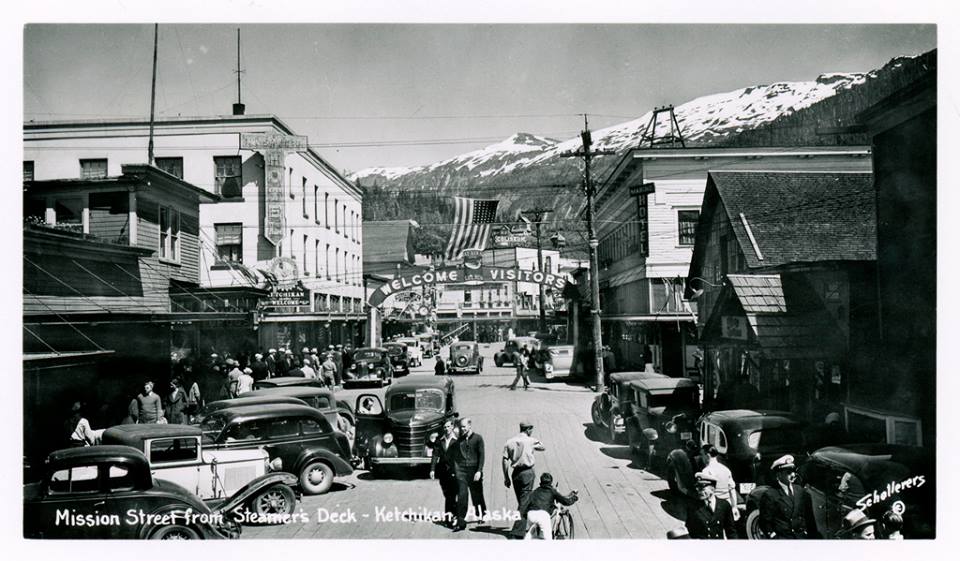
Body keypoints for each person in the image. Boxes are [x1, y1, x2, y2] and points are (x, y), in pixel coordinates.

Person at [758, 455, 819, 539]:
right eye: (788, 472)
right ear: (779, 475)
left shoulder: (800, 491)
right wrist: (774, 537)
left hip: (801, 537)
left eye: (793, 471)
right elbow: (764, 522)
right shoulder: (770, 495)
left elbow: (809, 518)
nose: (793, 475)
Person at [519, 472, 578, 540]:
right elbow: (566, 501)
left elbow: (526, 504)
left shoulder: (535, 491)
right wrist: (574, 498)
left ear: (541, 481)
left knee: (530, 536)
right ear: (551, 482)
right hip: (543, 516)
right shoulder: (552, 491)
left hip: (531, 515)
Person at [452, 417, 486, 531]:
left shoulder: (478, 439)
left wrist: (479, 471)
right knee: (462, 495)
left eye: (464, 427)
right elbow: (456, 457)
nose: (462, 429)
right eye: (461, 427)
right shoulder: (459, 440)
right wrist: (457, 471)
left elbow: (481, 456)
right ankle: (461, 522)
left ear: (470, 425)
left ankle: (481, 514)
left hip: (474, 471)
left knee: (477, 494)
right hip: (462, 472)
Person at [502, 422, 545, 506]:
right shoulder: (531, 441)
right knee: (525, 501)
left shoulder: (509, 442)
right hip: (527, 473)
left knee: (520, 499)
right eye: (531, 430)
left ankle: (522, 512)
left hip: (516, 474)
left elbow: (505, 460)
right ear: (528, 429)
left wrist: (506, 477)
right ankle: (522, 514)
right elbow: (542, 447)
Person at [685, 473, 738, 539]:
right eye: (697, 487)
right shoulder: (693, 507)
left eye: (702, 488)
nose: (699, 491)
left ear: (713, 488)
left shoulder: (724, 505)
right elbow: (690, 531)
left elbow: (731, 532)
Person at [430, 418, 460, 527]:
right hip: (443, 472)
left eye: (448, 427)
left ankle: (450, 518)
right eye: (445, 427)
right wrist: (432, 469)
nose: (447, 429)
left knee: (452, 495)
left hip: (454, 472)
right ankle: (453, 515)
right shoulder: (439, 441)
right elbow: (435, 455)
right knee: (447, 495)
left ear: (452, 427)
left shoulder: (457, 440)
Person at [699, 446, 739, 520]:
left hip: (715, 506)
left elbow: (706, 493)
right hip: (727, 504)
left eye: (702, 454)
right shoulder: (726, 470)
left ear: (707, 455)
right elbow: (732, 490)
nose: (701, 457)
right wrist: (734, 507)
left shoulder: (706, 471)